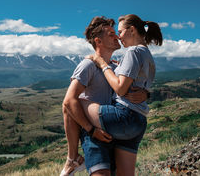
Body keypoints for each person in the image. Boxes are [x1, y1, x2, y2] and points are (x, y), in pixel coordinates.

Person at [61, 16, 148, 176]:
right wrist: (91, 130)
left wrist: (145, 94)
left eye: (116, 33)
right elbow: (68, 102)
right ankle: (72, 160)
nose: (117, 37)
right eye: (110, 34)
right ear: (98, 41)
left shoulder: (117, 66)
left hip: (114, 133)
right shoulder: (88, 65)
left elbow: (132, 86)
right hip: (94, 134)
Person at [83, 14, 162, 176]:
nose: (119, 36)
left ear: (132, 30)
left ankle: (73, 158)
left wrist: (101, 62)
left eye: (120, 31)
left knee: (76, 102)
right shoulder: (147, 54)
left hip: (123, 116)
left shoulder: (133, 52)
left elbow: (120, 89)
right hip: (139, 122)